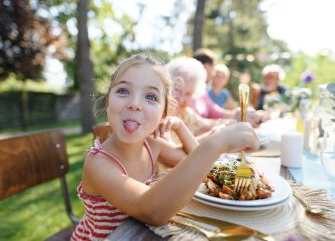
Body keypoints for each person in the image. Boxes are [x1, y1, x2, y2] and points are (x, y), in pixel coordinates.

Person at [71, 53, 259, 240]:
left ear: (164, 113)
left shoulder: (151, 146)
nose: (135, 104)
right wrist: (217, 142)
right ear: (108, 101)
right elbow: (153, 212)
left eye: (151, 96)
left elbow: (194, 164)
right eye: (123, 91)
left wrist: (179, 126)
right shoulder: (98, 163)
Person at [167, 57, 268, 127]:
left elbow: (207, 122)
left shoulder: (191, 107)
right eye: (177, 90)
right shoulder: (167, 113)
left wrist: (242, 115)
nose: (182, 98)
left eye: (188, 94)